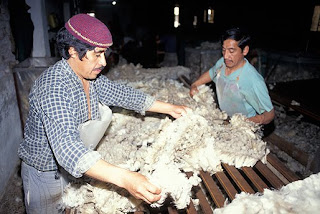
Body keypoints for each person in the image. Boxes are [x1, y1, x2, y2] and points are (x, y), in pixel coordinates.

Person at [18, 13, 189, 213]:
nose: (104, 62)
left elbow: (122, 94)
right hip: (46, 173)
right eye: (97, 54)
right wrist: (126, 179)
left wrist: (169, 108)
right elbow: (67, 147)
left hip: (71, 169)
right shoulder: (54, 87)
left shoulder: (90, 78)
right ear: (73, 51)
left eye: (104, 54)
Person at [189, 27, 275, 125]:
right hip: (225, 119)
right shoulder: (222, 63)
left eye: (231, 51)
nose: (225, 56)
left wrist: (247, 122)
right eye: (224, 50)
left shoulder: (253, 80)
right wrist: (195, 84)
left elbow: (270, 114)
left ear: (245, 50)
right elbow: (211, 73)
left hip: (245, 128)